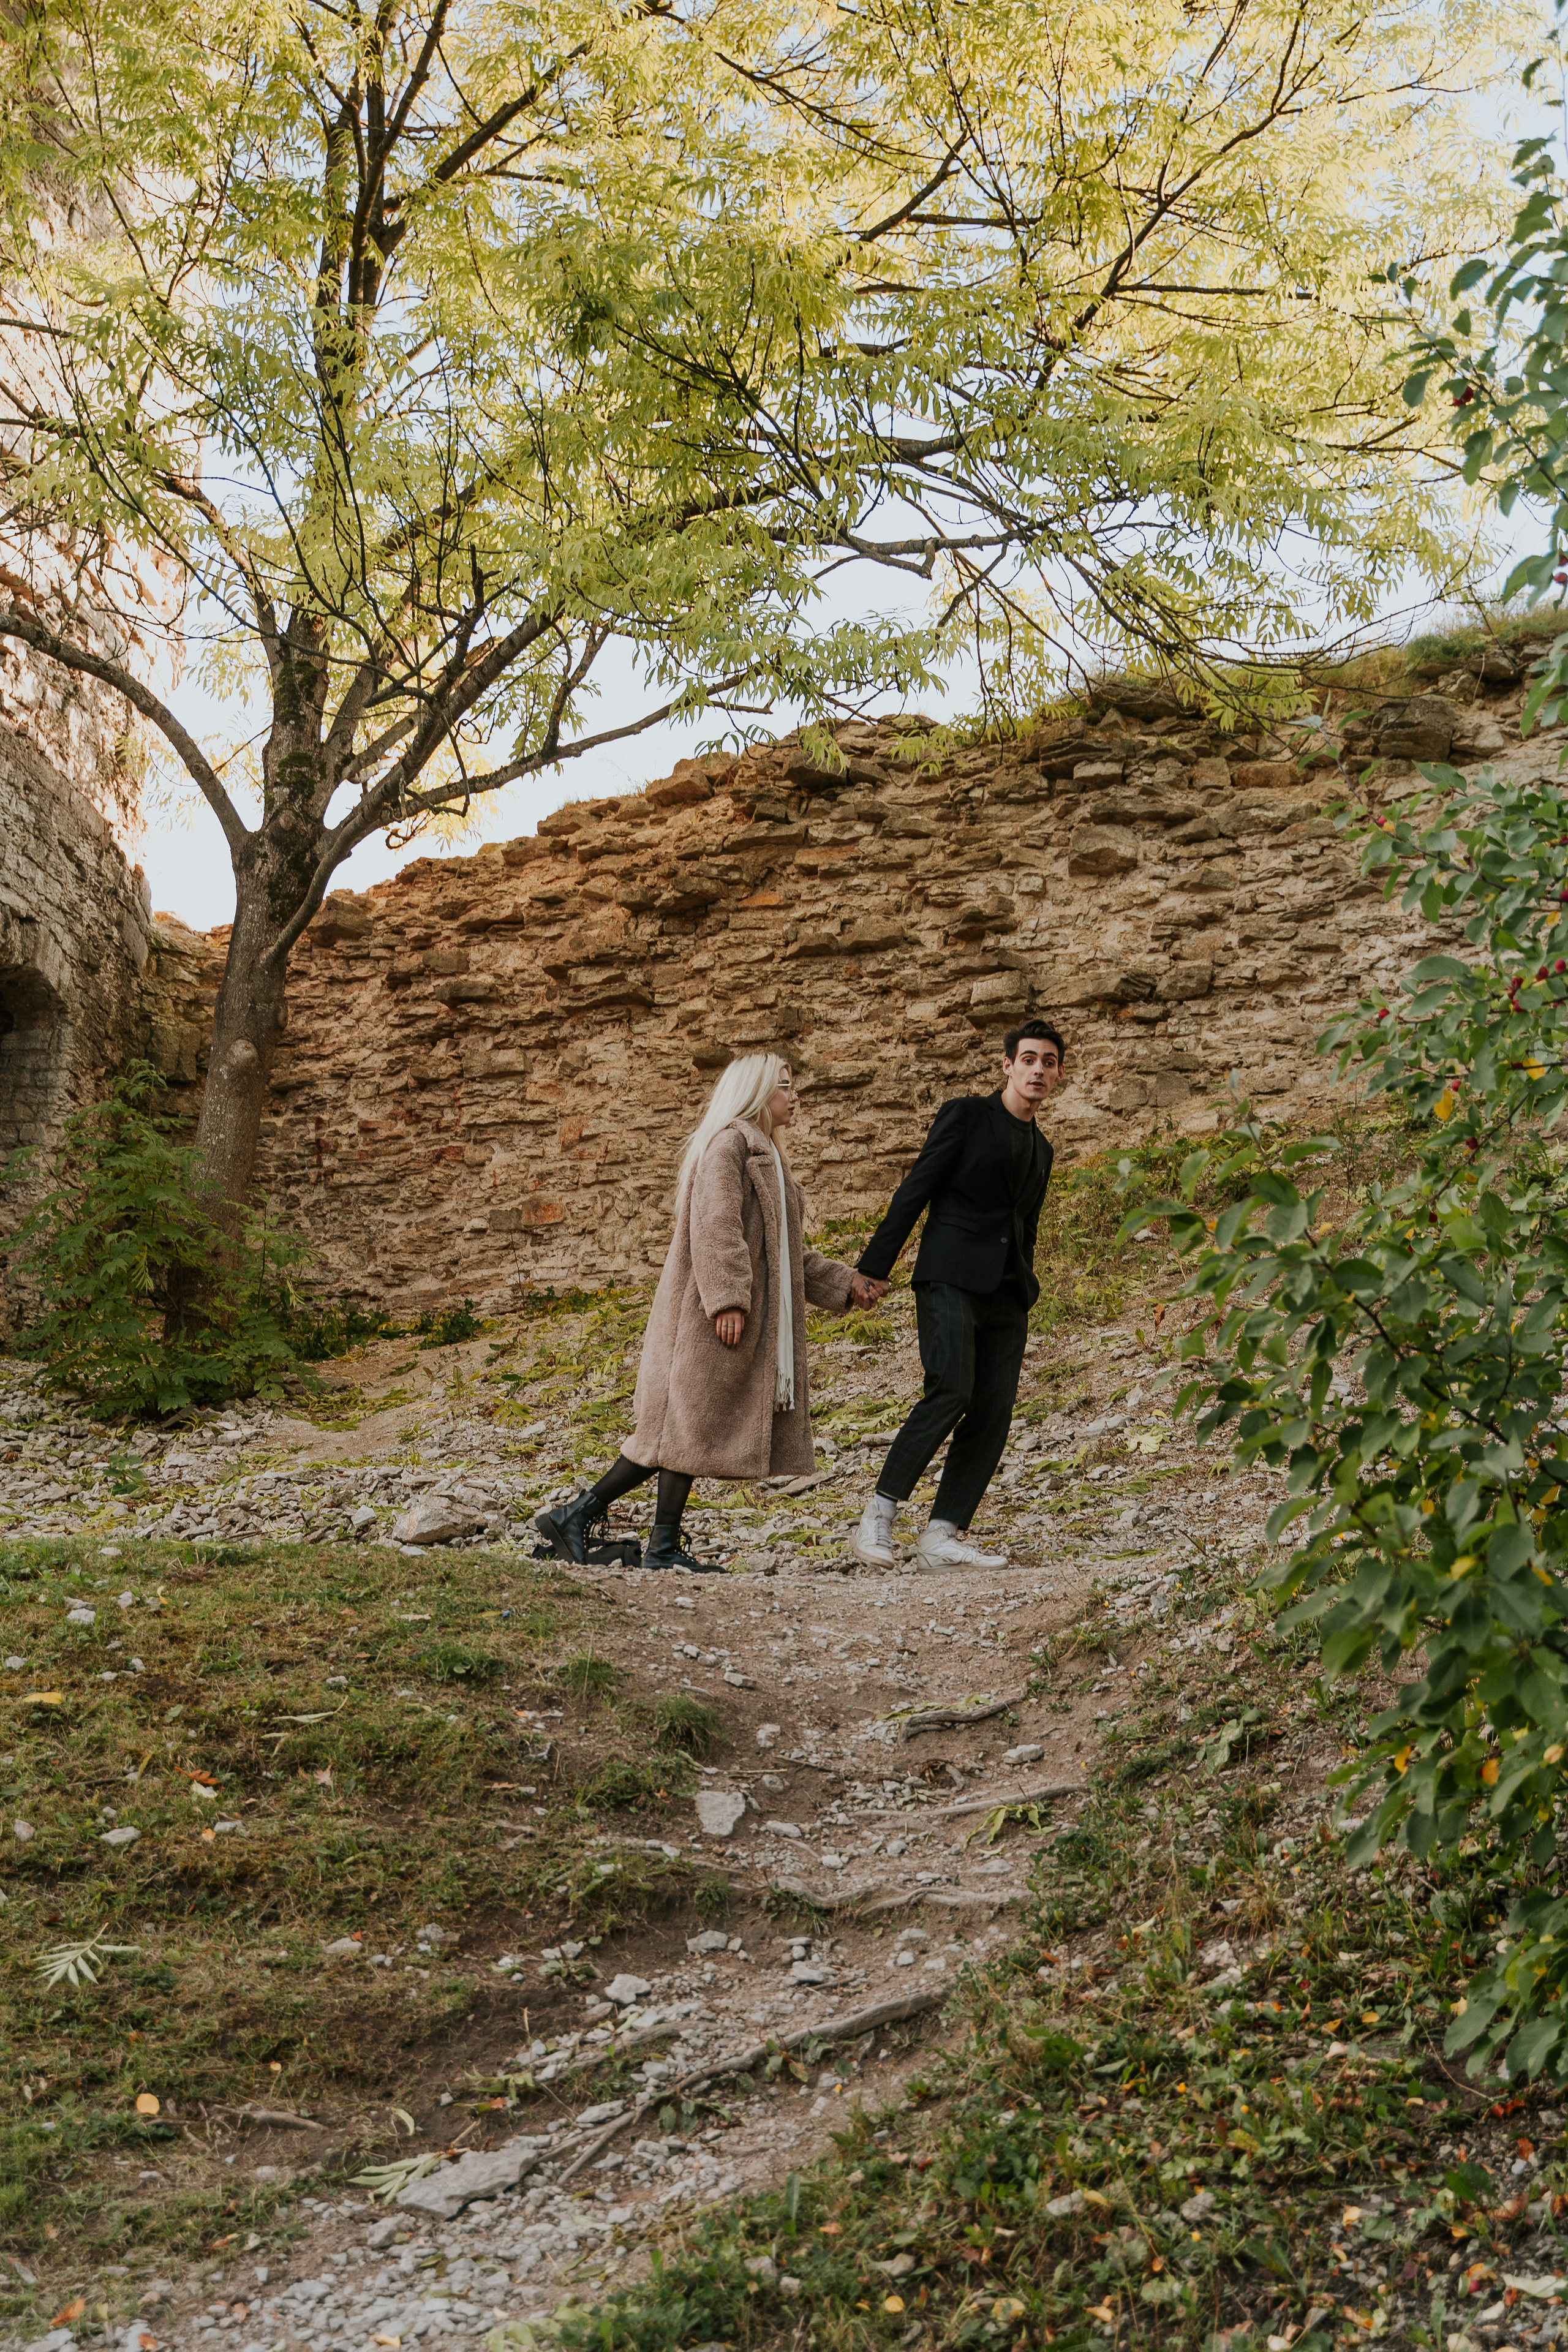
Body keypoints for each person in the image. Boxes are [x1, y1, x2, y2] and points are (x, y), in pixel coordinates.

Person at [535, 1052, 883, 1573]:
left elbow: (785, 1257)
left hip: (726, 1315)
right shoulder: (730, 1145)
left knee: (684, 1434)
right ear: (756, 1092)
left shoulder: (769, 1158)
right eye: (784, 1086)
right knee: (678, 1432)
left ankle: (635, 1538)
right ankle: (596, 1523)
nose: (794, 1096)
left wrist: (845, 1283)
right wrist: (728, 1299)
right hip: (704, 1317)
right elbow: (716, 1227)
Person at [847, 1021, 1066, 1573]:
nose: (1038, 1070)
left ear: (1058, 1074)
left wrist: (1025, 1284)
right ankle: (878, 1516)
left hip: (1007, 1293)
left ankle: (941, 1534)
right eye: (1029, 1059)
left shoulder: (1042, 1149)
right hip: (949, 1276)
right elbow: (917, 1187)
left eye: (1049, 1062)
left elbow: (1026, 1226)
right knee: (951, 1388)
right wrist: (874, 1267)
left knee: (993, 1409)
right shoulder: (966, 1115)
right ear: (1007, 1066)